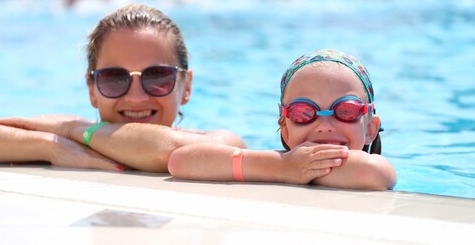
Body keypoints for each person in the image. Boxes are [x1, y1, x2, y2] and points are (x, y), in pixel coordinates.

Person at [0, 4, 245, 172]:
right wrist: (48, 144)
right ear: (92, 89)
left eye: (157, 77)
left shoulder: (219, 142)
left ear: (185, 86)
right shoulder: (69, 140)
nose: (136, 96)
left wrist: (70, 130)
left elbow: (167, 153)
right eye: (114, 78)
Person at [168, 49, 396, 191]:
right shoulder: (279, 163)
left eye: (345, 111)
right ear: (285, 129)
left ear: (370, 129)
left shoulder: (374, 169)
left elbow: (374, 172)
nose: (325, 126)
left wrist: (295, 170)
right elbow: (180, 161)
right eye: (304, 112)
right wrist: (283, 167)